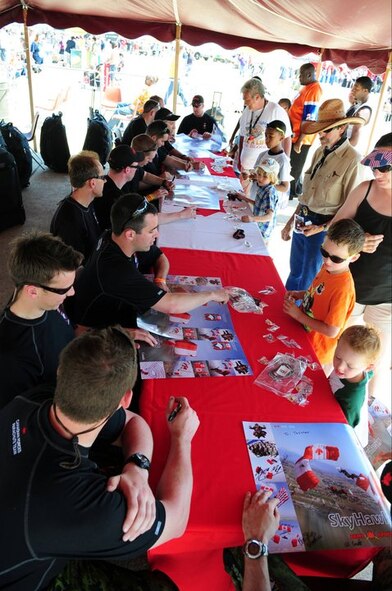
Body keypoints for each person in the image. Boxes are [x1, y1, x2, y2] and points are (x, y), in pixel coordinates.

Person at [0, 326, 200, 591]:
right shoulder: (86, 506)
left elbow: (131, 422)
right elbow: (176, 520)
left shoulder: (36, 399)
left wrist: (137, 468)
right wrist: (181, 439)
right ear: (126, 398)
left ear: (63, 373)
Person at [67, 193, 229, 333]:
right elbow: (172, 305)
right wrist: (212, 294)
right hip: (94, 333)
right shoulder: (116, 270)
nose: (157, 234)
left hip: (114, 313)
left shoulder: (113, 235)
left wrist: (160, 280)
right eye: (151, 230)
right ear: (130, 234)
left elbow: (160, 257)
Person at [330, 134, 391, 402]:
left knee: (376, 361)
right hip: (349, 290)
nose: (378, 173)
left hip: (387, 299)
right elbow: (335, 228)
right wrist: (357, 240)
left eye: (385, 167)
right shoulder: (364, 189)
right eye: (374, 166)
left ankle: (368, 409)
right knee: (340, 354)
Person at [282, 99, 365, 292]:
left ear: (342, 129)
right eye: (320, 129)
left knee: (310, 277)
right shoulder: (319, 151)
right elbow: (307, 193)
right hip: (303, 219)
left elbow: (350, 206)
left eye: (326, 130)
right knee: (295, 272)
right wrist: (290, 221)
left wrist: (322, 228)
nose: (321, 134)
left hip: (325, 226)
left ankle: (301, 316)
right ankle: (286, 306)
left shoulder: (352, 160)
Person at [0, 231, 82, 409]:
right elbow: (24, 414)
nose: (72, 293)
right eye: (64, 289)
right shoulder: (12, 359)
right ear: (32, 291)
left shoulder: (47, 302)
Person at [283, 219, 365, 369]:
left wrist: (299, 315)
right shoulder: (329, 268)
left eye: (336, 258)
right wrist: (300, 294)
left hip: (317, 352)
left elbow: (332, 330)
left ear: (353, 257)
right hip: (303, 336)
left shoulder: (343, 289)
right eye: (324, 252)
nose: (327, 260)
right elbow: (316, 294)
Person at [50, 150, 105, 262]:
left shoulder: (87, 201)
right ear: (92, 183)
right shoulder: (70, 221)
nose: (105, 181)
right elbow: (74, 266)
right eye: (103, 177)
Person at [329, 325, 381, 438]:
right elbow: (370, 374)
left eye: (350, 366)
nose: (340, 367)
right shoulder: (351, 365)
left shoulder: (352, 399)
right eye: (337, 357)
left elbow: (346, 428)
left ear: (367, 367)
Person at [237, 78, 291, 171]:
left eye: (247, 100)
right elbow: (242, 136)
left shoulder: (276, 110)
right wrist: (239, 159)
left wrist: (285, 164)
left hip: (265, 171)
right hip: (246, 168)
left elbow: (287, 138)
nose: (245, 103)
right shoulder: (247, 111)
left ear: (257, 97)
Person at [288, 63, 323, 199]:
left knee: (294, 168)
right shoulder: (307, 88)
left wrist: (299, 142)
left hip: (301, 138)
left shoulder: (314, 90)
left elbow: (309, 118)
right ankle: (296, 189)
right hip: (295, 135)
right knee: (294, 166)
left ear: (309, 75)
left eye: (301, 74)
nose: (299, 77)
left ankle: (290, 193)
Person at [93, 144, 145, 231]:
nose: (137, 170)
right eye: (136, 167)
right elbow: (143, 221)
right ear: (127, 170)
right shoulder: (116, 198)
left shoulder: (103, 183)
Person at [237, 159, 280, 243]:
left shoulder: (269, 193)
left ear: (272, 178)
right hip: (257, 223)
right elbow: (258, 204)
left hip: (263, 230)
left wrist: (251, 219)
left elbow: (269, 216)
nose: (260, 178)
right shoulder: (263, 186)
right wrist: (244, 198)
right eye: (259, 174)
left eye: (265, 176)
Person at [254, 120, 291, 207]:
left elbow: (285, 187)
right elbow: (256, 174)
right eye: (266, 136)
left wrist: (267, 185)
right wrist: (251, 176)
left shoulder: (283, 160)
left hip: (269, 203)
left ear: (281, 138)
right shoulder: (262, 155)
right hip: (257, 198)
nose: (267, 140)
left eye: (271, 137)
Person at [346, 76, 373, 148]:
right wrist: (352, 104)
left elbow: (356, 132)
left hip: (348, 149)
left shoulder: (364, 110)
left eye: (356, 89)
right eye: (353, 88)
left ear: (365, 91)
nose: (352, 90)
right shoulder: (358, 104)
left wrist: (344, 151)